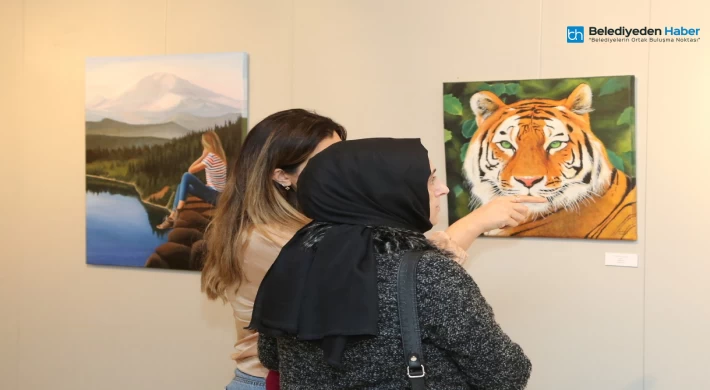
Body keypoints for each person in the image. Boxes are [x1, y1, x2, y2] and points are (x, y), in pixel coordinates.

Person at [201, 109, 543, 390]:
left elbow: (273, 349)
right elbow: (505, 374)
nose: (442, 190)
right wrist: (468, 228)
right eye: (429, 180)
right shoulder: (285, 245)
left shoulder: (301, 249)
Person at [157, 130, 227, 230]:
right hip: (217, 194)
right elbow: (218, 179)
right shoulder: (221, 156)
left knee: (186, 176)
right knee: (180, 186)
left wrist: (202, 156)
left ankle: (178, 211)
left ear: (207, 144)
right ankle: (172, 216)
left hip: (215, 196)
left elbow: (190, 170)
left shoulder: (211, 157)